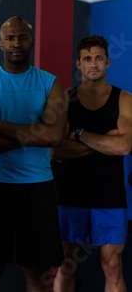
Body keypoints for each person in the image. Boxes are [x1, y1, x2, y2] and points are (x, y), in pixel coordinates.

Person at [0, 16, 67, 291]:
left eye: (22, 37)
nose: (16, 43)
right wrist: (32, 135)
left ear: (31, 41)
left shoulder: (51, 83)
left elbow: (55, 136)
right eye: (10, 38)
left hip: (37, 189)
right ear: (1, 44)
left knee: (37, 274)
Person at [52, 35, 132, 292]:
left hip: (109, 197)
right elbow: (56, 149)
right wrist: (103, 143)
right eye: (87, 59)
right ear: (78, 64)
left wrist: (79, 134)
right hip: (71, 195)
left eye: (99, 58)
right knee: (66, 266)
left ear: (108, 62)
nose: (93, 63)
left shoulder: (125, 100)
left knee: (112, 266)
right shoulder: (65, 99)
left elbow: (124, 146)